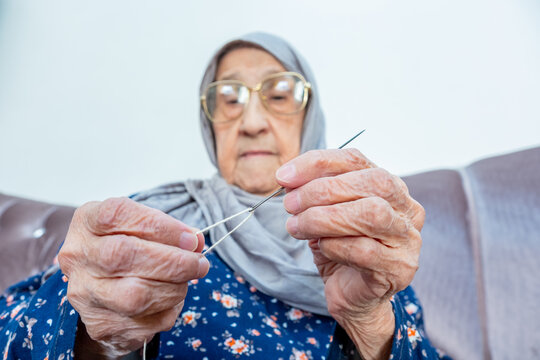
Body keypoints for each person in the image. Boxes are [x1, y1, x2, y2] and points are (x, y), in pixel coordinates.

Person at [0, 32, 451, 359]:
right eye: (229, 98)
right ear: (209, 124)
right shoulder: (152, 219)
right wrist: (94, 338)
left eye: (278, 94)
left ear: (310, 116)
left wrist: (370, 321)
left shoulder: (363, 237)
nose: (251, 120)